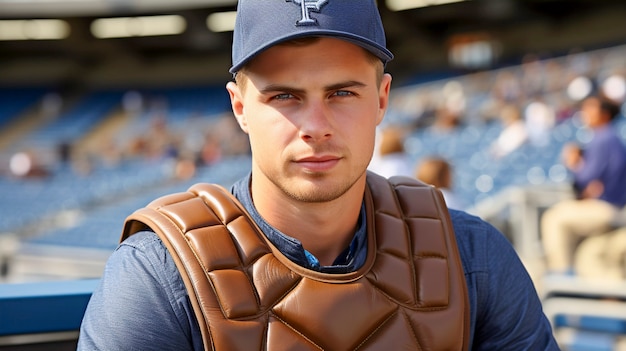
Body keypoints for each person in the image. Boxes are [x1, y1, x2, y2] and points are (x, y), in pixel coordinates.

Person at [78, 1, 559, 350]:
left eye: (342, 93)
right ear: (240, 108)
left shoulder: (472, 256)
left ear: (382, 99)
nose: (315, 128)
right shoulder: (157, 276)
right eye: (284, 96)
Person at [541, 95, 626, 276]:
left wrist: (575, 162)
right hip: (614, 207)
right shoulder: (612, 136)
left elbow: (586, 177)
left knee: (553, 218)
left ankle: (561, 277)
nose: (585, 113)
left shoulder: (602, 137)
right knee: (588, 253)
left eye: (590, 109)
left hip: (608, 208)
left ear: (604, 114)